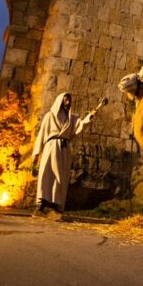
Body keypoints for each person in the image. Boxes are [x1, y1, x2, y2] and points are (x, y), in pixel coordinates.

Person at [31, 92, 98, 220]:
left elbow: (81, 124)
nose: (68, 102)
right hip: (51, 148)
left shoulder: (72, 118)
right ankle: (40, 206)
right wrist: (36, 155)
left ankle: (55, 207)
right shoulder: (49, 116)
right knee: (46, 175)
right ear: (60, 101)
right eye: (66, 100)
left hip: (64, 150)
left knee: (60, 177)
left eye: (69, 100)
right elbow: (41, 135)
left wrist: (90, 115)